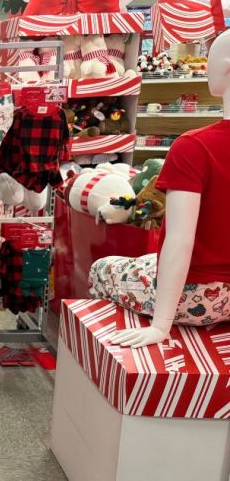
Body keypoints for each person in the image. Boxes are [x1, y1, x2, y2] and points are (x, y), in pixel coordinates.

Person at [91, 29, 230, 347]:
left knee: (103, 268)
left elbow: (181, 241)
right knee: (147, 262)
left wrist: (161, 325)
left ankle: (99, 372)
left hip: (200, 296)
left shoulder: (194, 146)